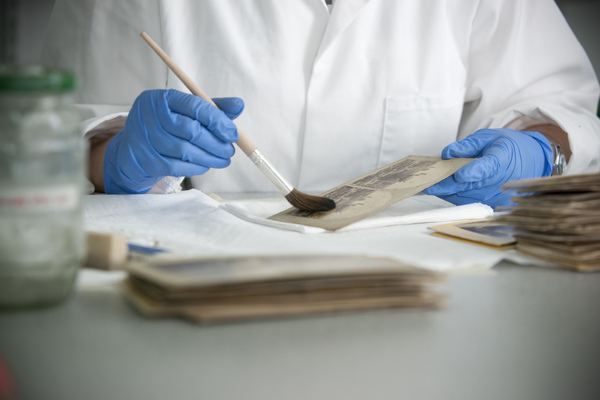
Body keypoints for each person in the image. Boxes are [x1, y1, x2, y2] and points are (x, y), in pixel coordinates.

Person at [41, 0, 600, 207]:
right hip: (199, 295)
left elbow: (561, 109)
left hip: (424, 295)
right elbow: (46, 142)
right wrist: (115, 159)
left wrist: (539, 151)